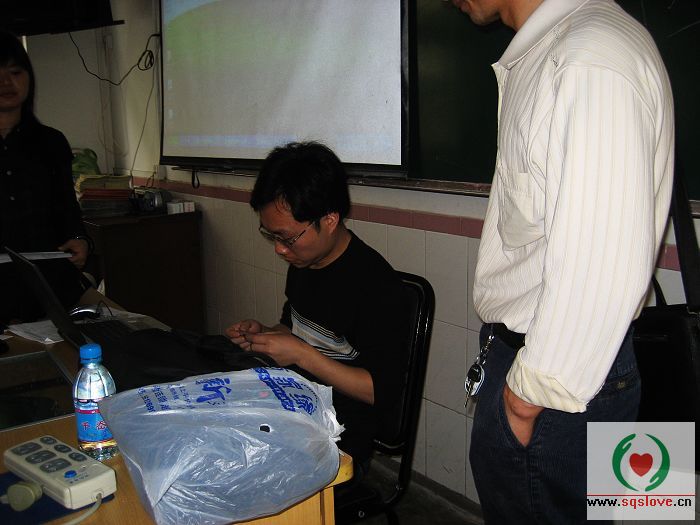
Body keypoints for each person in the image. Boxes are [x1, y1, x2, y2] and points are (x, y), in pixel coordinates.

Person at [452, 0, 674, 523]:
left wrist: (526, 397)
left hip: (560, 383)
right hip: (562, 374)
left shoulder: (588, 54)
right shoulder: (561, 48)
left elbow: (604, 258)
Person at [226, 141, 408, 483]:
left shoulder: (376, 286)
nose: (280, 250)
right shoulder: (305, 261)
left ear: (330, 219)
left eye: (287, 238)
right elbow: (294, 328)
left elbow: (379, 391)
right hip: (295, 408)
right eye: (271, 235)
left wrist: (301, 355)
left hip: (341, 435)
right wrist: (265, 334)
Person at [0, 31, 95, 325]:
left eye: (16, 72)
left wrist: (80, 240)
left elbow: (66, 208)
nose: (6, 82)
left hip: (49, 285)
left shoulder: (51, 142)